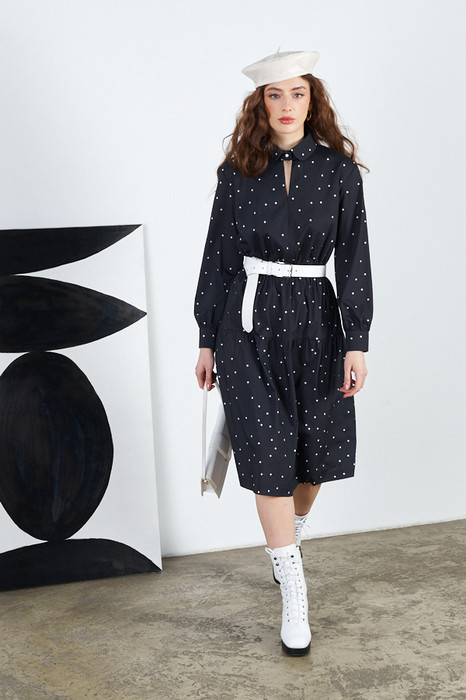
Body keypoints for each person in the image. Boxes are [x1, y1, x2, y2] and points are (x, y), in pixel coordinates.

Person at [194, 49, 373, 657]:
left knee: (314, 455)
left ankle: (286, 540)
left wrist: (356, 340)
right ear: (260, 103)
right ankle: (293, 586)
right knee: (267, 450)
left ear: (312, 100)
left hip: (318, 318)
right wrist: (207, 337)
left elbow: (354, 258)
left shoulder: (340, 172)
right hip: (248, 321)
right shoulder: (237, 170)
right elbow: (218, 256)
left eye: (298, 93)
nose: (287, 106)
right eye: (275, 95)